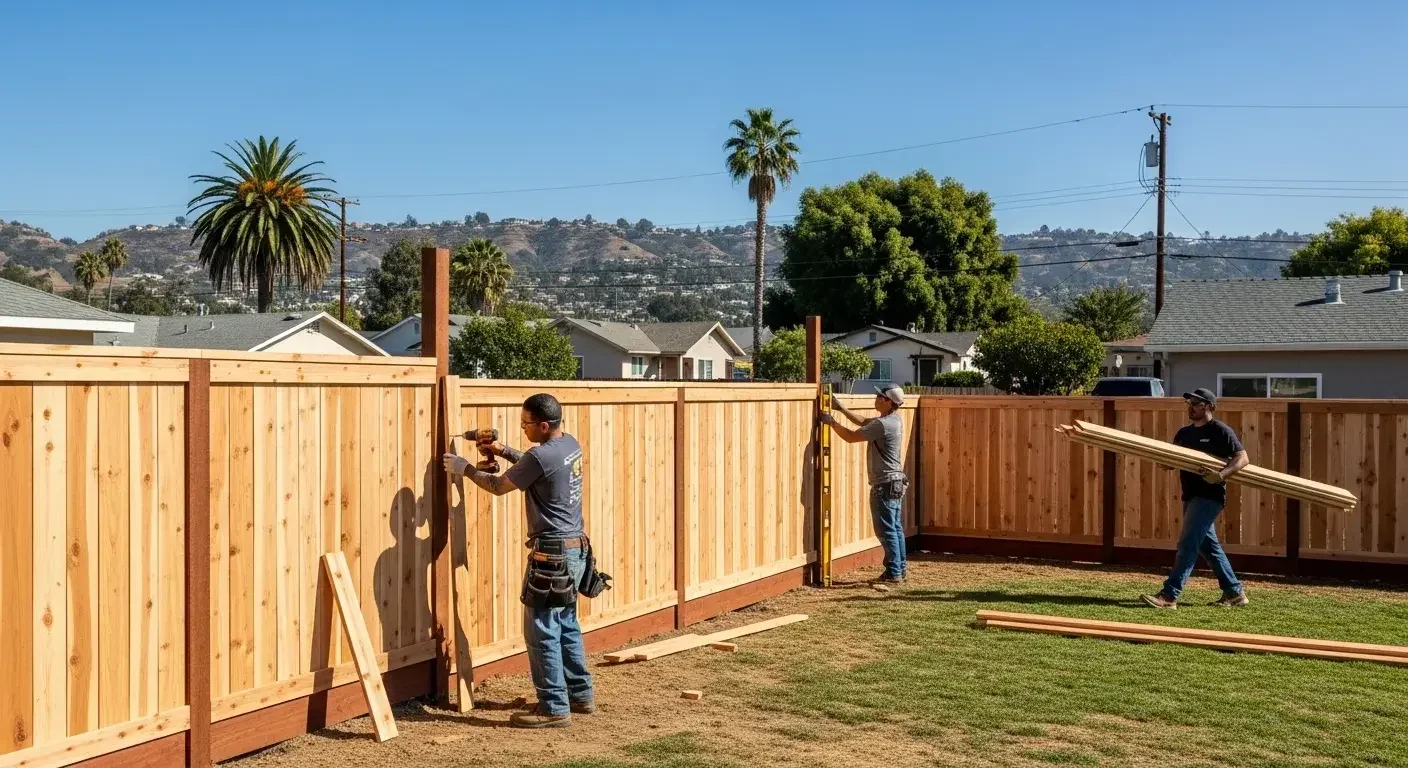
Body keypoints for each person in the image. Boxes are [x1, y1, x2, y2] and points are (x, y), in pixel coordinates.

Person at [442, 393, 594, 728]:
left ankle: (553, 708)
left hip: (551, 555)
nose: (523, 428)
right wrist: (502, 451)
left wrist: (465, 468)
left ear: (544, 425)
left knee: (542, 631)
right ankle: (580, 695)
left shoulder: (541, 455)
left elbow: (498, 486)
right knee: (566, 624)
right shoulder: (568, 444)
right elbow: (535, 464)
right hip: (576, 550)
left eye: (526, 424)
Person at [1141, 388, 1251, 609]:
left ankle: (1169, 596)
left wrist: (1220, 475)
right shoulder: (1184, 433)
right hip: (1190, 495)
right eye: (1189, 403)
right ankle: (1235, 593)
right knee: (1208, 547)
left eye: (1195, 403)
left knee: (1188, 543)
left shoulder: (1220, 431)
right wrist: (1165, 462)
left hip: (1210, 496)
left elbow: (1242, 458)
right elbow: (1173, 460)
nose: (1190, 407)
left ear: (1209, 406)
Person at [819, 384, 909, 583]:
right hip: (895, 482)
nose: (876, 398)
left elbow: (852, 437)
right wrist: (840, 408)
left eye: (880, 396)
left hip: (885, 484)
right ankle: (899, 569)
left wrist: (832, 423)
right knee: (895, 528)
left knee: (886, 530)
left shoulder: (883, 424)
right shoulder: (893, 420)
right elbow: (863, 421)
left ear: (889, 402)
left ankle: (894, 572)